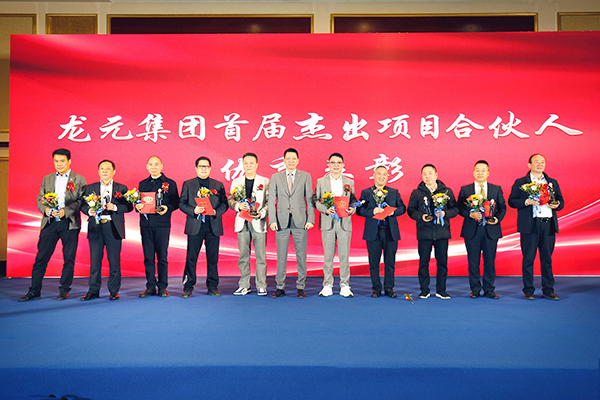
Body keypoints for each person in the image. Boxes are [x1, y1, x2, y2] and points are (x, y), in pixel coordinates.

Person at [19, 149, 87, 302]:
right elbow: (40, 198)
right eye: (56, 161)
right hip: (49, 222)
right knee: (41, 258)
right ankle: (34, 291)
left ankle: (64, 290)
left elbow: (80, 201)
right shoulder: (47, 179)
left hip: (69, 223)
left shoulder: (79, 179)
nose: (59, 164)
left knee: (68, 259)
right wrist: (47, 210)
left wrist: (65, 211)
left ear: (69, 161)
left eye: (62, 161)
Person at [508, 154, 564, 300]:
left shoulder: (551, 182)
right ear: (529, 165)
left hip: (548, 224)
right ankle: (528, 290)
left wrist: (557, 205)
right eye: (537, 162)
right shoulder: (521, 182)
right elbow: (512, 201)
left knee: (547, 259)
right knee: (528, 259)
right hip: (530, 226)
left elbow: (561, 201)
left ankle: (548, 290)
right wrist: (526, 202)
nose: (540, 164)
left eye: (542, 162)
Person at [80, 160, 133, 301]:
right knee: (95, 261)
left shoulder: (121, 188)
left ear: (113, 172)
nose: (104, 171)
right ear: (98, 171)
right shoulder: (89, 188)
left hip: (113, 227)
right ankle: (93, 290)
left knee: (114, 261)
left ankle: (114, 290)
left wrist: (115, 207)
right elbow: (82, 206)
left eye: (108, 169)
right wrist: (89, 211)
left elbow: (129, 207)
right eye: (102, 168)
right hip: (96, 227)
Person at [268, 148, 315, 298]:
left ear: (298, 160)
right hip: (281, 221)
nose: (291, 161)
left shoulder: (305, 176)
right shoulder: (276, 177)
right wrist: (272, 220)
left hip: (300, 220)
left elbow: (310, 199)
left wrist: (311, 219)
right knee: (281, 255)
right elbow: (271, 200)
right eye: (288, 158)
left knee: (301, 255)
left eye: (294, 158)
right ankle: (280, 286)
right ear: (284, 160)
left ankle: (300, 286)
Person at [179, 156, 228, 297]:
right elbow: (181, 203)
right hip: (195, 225)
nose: (203, 169)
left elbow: (224, 204)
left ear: (210, 168)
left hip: (213, 226)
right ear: (196, 168)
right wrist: (193, 210)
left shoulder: (218, 185)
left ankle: (212, 286)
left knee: (213, 258)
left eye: (206, 166)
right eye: (201, 166)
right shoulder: (188, 184)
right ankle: (188, 286)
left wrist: (216, 212)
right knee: (191, 258)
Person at [457, 160, 506, 299]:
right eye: (477, 170)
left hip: (490, 230)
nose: (480, 173)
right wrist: (469, 214)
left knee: (490, 261)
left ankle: (489, 289)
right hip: (472, 230)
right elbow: (459, 208)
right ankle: (475, 289)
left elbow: (502, 207)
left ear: (488, 173)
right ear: (473, 172)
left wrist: (496, 219)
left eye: (483, 170)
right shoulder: (465, 189)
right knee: (473, 261)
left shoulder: (496, 189)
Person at [408, 164, 458, 300]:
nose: (427, 176)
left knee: (442, 263)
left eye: (430, 173)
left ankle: (441, 290)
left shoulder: (446, 191)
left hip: (442, 232)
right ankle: (424, 290)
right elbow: (411, 211)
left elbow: (455, 209)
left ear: (436, 175)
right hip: (424, 232)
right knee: (423, 262)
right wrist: (421, 216)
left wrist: (444, 213)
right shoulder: (416, 193)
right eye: (424, 174)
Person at [356, 166, 406, 298]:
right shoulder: (366, 192)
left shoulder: (394, 192)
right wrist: (372, 211)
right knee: (374, 262)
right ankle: (376, 288)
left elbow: (402, 208)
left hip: (390, 232)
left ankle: (389, 288)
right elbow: (359, 210)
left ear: (387, 177)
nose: (381, 177)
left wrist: (393, 212)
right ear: (374, 175)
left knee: (390, 262)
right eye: (379, 174)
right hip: (373, 232)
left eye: (384, 174)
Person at [313, 153, 358, 298]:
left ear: (343, 165)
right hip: (328, 222)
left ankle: (345, 285)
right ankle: (327, 285)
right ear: (328, 165)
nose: (336, 165)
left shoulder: (349, 182)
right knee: (328, 256)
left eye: (339, 162)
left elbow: (353, 200)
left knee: (344, 256)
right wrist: (325, 209)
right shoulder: (321, 181)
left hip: (344, 223)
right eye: (333, 162)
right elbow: (315, 200)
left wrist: (352, 210)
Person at [136, 156, 179, 298]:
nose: (153, 167)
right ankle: (150, 286)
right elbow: (139, 202)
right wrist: (137, 206)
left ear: (161, 166)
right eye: (151, 164)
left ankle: (162, 287)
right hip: (146, 225)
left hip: (162, 225)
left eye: (156, 164)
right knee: (148, 257)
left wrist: (168, 208)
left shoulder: (170, 183)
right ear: (147, 167)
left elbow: (176, 202)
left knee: (162, 257)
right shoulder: (142, 184)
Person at [228, 152, 270, 296]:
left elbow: (269, 202)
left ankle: (261, 285)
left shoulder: (265, 181)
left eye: (251, 163)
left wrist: (261, 213)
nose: (249, 166)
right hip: (242, 221)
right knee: (243, 256)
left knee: (261, 256)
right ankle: (244, 285)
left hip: (258, 221)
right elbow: (231, 200)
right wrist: (238, 206)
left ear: (257, 165)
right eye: (246, 163)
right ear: (242, 165)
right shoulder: (236, 182)